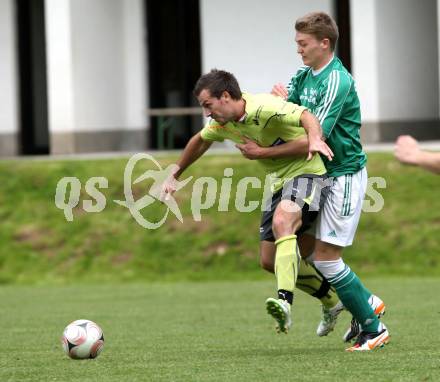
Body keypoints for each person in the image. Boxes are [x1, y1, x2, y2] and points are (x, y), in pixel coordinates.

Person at [246, 11, 389, 351]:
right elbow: (288, 116)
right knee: (305, 249)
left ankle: (373, 327)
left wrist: (263, 153)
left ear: (324, 43)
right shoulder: (303, 75)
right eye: (297, 44)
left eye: (303, 44)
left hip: (342, 176)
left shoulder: (337, 80)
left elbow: (314, 133)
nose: (298, 50)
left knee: (325, 258)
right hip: (314, 174)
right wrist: (279, 102)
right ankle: (366, 302)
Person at [162, 68, 335, 336]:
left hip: (309, 175)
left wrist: (310, 138)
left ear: (226, 96)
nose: (207, 113)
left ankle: (285, 302)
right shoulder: (223, 124)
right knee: (269, 260)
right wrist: (175, 173)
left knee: (282, 221)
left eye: (208, 105)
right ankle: (332, 302)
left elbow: (306, 117)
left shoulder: (265, 107)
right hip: (279, 183)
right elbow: (199, 141)